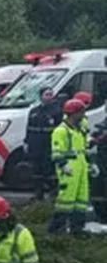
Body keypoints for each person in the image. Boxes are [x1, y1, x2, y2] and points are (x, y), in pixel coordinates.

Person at [50, 99, 91, 234]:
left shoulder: (80, 130)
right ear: (74, 114)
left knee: (81, 200)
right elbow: (56, 152)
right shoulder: (61, 131)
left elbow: (83, 149)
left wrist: (90, 163)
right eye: (81, 113)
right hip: (69, 169)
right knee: (65, 199)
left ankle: (77, 228)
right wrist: (63, 165)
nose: (83, 116)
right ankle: (56, 229)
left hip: (81, 167)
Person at [26, 88, 61, 199]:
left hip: (48, 145)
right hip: (35, 145)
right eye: (47, 94)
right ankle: (38, 193)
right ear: (41, 96)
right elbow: (29, 128)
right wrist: (26, 142)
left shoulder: (56, 111)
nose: (49, 97)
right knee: (36, 170)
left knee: (49, 170)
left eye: (51, 94)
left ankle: (53, 192)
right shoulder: (34, 111)